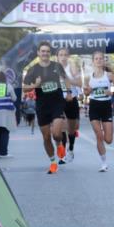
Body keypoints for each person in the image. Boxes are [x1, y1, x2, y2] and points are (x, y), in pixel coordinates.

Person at [21, 42, 70, 174]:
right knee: (46, 137)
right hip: (42, 106)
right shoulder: (33, 69)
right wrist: (35, 85)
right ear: (38, 53)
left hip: (57, 103)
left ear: (50, 53)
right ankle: (53, 161)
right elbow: (24, 88)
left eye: (47, 51)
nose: (45, 53)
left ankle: (59, 144)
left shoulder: (57, 66)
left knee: (56, 133)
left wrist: (69, 92)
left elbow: (65, 79)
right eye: (43, 51)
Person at [84, 51, 114, 172]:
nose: (99, 60)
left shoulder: (109, 75)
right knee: (99, 136)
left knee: (108, 140)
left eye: (101, 58)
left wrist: (111, 93)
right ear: (93, 61)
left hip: (106, 107)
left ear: (103, 61)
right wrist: (88, 91)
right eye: (96, 59)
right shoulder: (88, 77)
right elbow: (84, 94)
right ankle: (103, 163)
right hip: (94, 107)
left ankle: (104, 157)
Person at [56, 48, 83, 163]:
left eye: (65, 55)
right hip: (58, 100)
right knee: (61, 127)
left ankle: (70, 148)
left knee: (72, 129)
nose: (63, 57)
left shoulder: (72, 68)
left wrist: (68, 80)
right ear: (57, 56)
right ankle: (62, 155)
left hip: (71, 99)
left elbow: (79, 83)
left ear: (68, 56)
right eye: (60, 55)